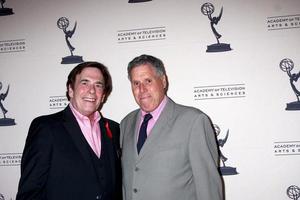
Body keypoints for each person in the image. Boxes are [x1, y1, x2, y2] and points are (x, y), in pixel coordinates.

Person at [120, 54, 223, 200]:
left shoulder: (194, 121)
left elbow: (208, 188)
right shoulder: (126, 123)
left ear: (163, 81)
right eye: (136, 83)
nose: (141, 89)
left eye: (148, 81)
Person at [16, 62, 122, 200]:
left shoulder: (114, 129)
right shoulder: (46, 127)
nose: (92, 90)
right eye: (85, 83)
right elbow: (30, 192)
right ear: (71, 90)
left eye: (98, 85)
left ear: (103, 95)